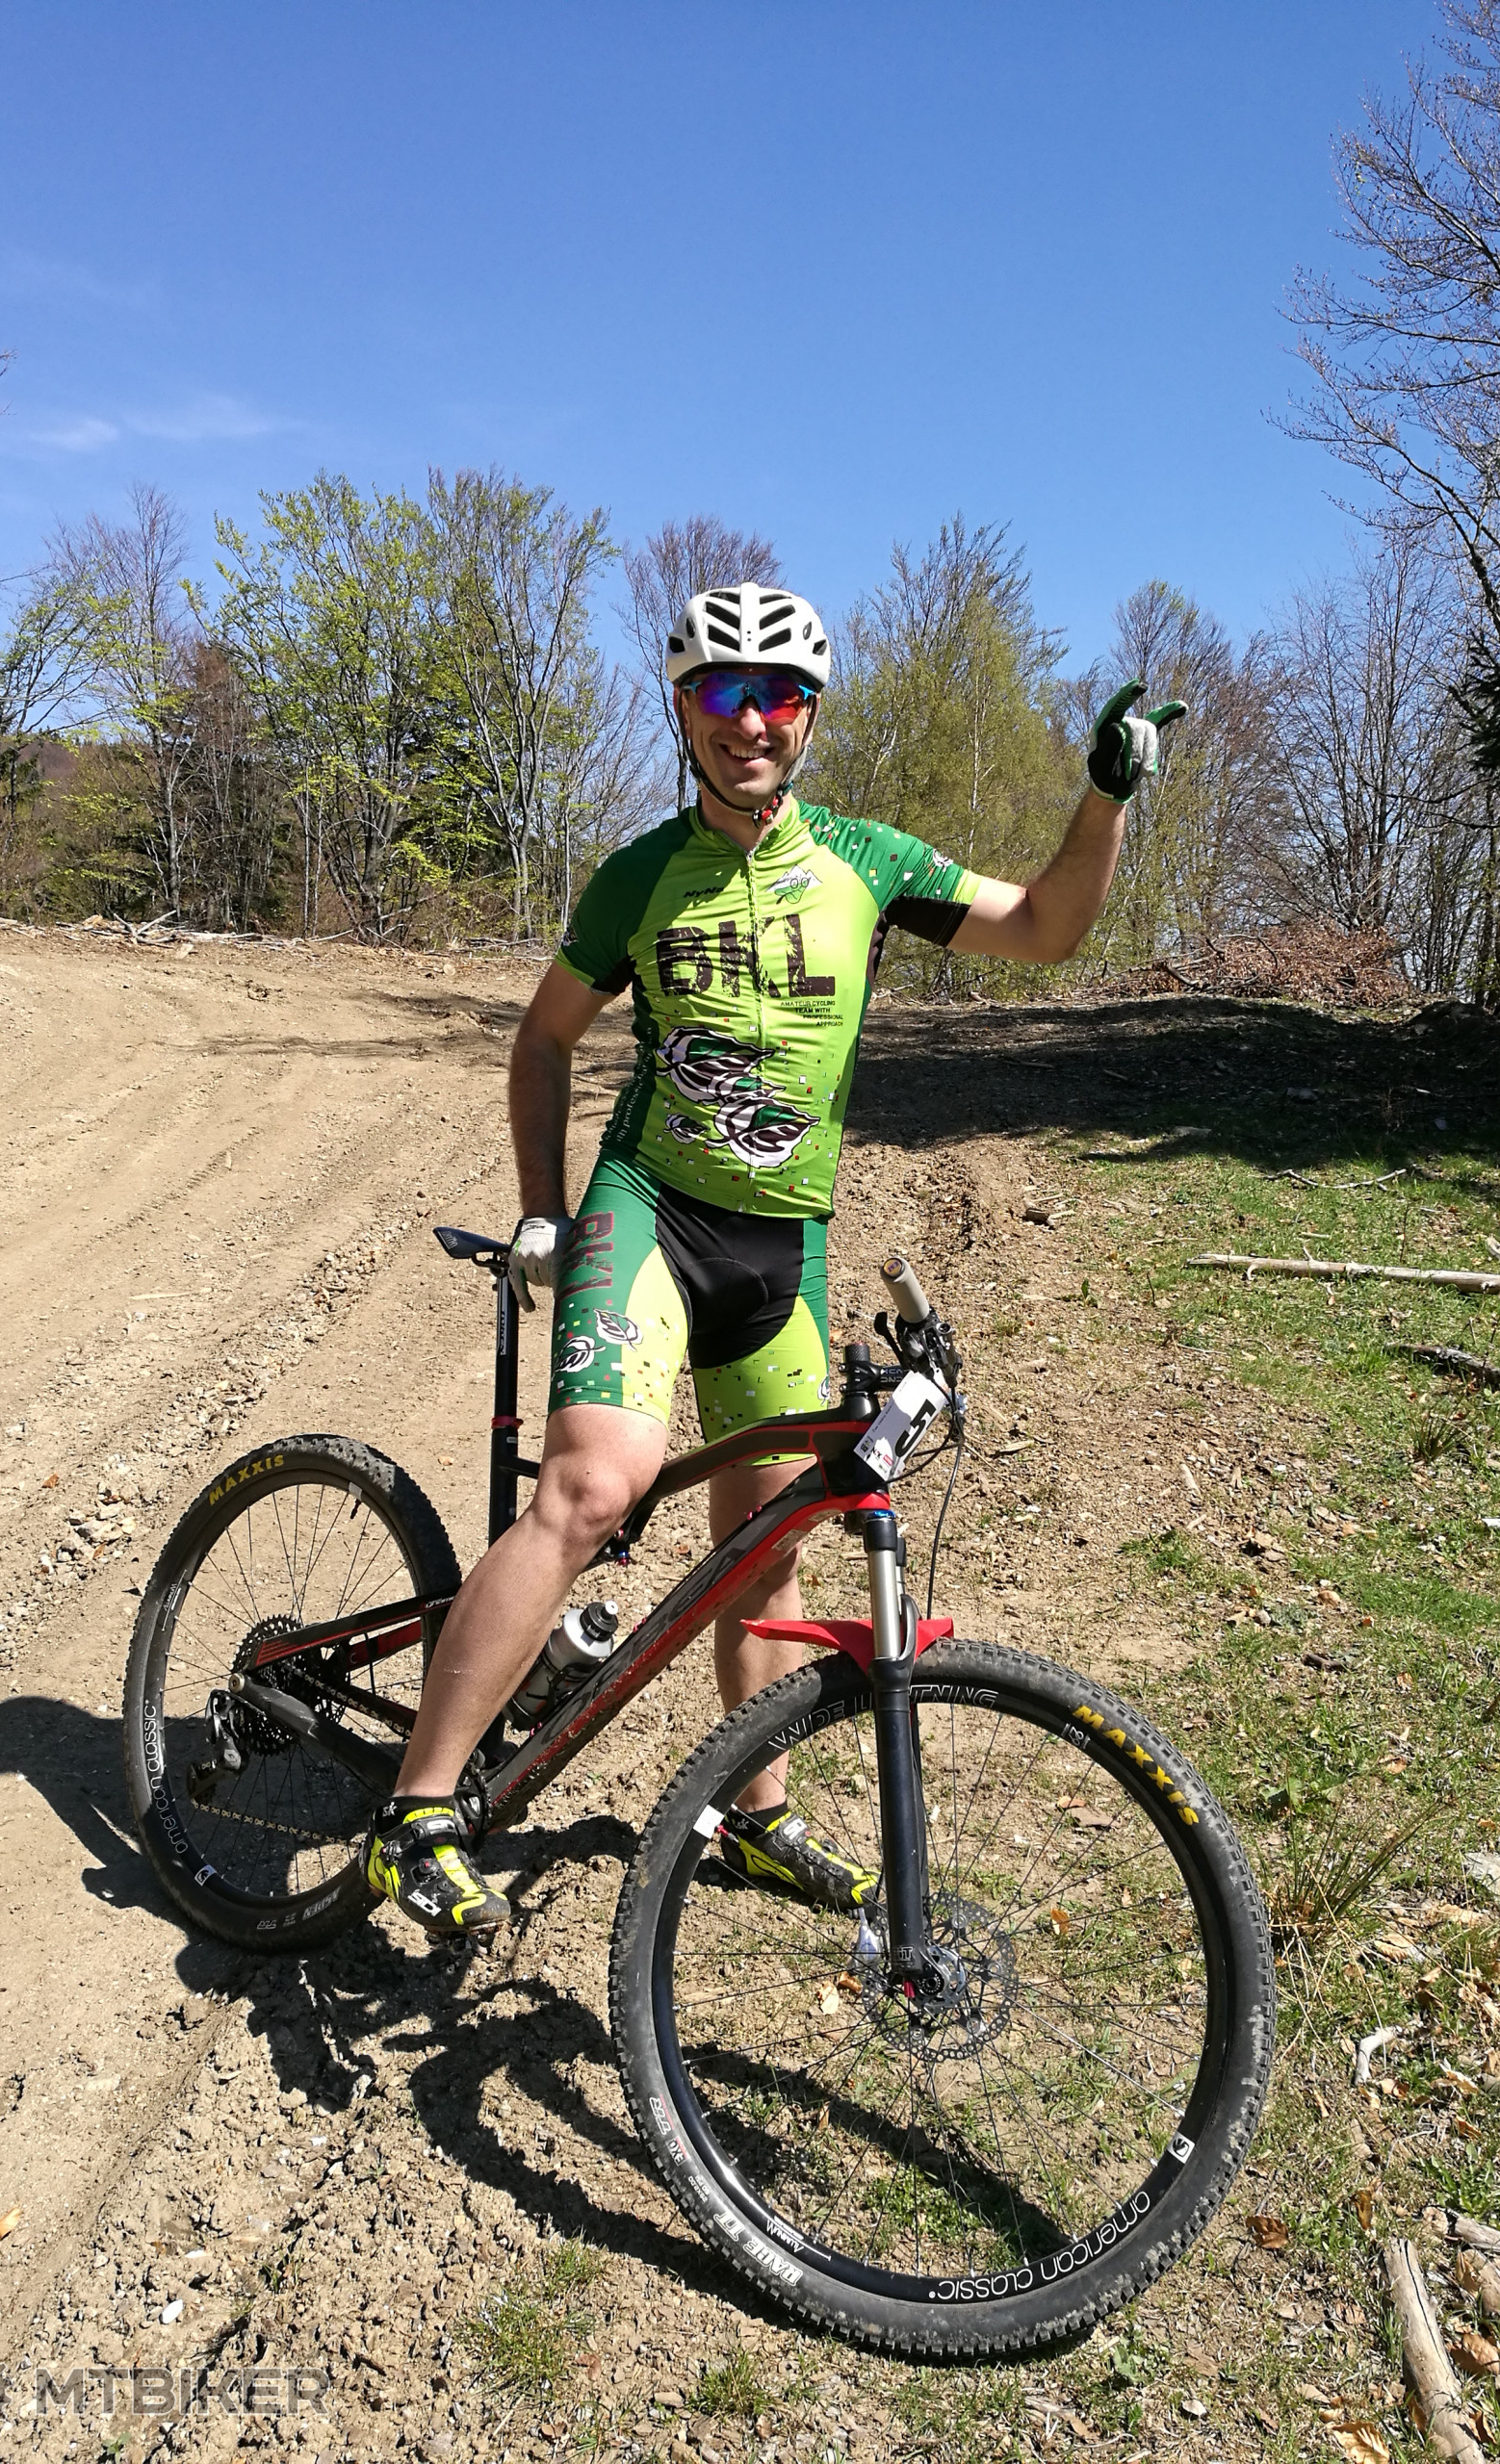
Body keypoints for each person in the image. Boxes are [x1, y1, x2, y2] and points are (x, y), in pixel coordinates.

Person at [361, 581, 1184, 1934]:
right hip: (651, 1212)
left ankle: (755, 1821)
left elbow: (1046, 928)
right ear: (683, 707)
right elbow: (544, 1038)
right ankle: (419, 1808)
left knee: (766, 1548)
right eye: (723, 692)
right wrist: (544, 1210)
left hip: (781, 1247)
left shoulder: (869, 863)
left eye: (779, 694)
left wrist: (1103, 801)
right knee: (592, 1489)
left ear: (810, 716)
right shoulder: (639, 875)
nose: (751, 721)